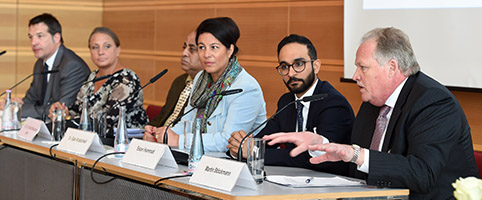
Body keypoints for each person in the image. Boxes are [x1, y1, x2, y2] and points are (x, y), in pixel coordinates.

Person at [264, 27, 479, 199]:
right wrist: (319, 145)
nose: (355, 75)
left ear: (392, 68)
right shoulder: (371, 103)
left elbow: (422, 174)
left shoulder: (433, 102)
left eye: (362, 67)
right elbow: (357, 165)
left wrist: (355, 154)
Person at [226, 34, 354, 176]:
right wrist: (239, 146)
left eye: (298, 64)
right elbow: (265, 140)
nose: (291, 73)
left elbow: (314, 158)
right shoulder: (287, 101)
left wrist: (253, 152)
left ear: (316, 66)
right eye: (284, 66)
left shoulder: (334, 104)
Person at [143, 17, 267, 152]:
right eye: (202, 47)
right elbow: (186, 123)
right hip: (200, 158)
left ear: (230, 50)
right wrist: (161, 135)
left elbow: (228, 141)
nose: (206, 54)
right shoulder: (200, 79)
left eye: (214, 47)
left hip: (234, 166)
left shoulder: (246, 87)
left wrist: (179, 140)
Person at [49, 27, 148, 139]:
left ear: (118, 50)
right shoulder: (92, 77)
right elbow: (76, 110)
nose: (100, 52)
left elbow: (105, 120)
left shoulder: (127, 79)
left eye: (107, 46)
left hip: (122, 144)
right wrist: (62, 113)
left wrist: (70, 120)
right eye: (95, 47)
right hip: (91, 140)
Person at [17, 13, 90, 119]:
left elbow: (58, 110)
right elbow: (30, 100)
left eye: (40, 36)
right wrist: (15, 106)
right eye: (31, 37)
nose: (33, 42)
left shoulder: (72, 66)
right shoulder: (40, 63)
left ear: (56, 38)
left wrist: (19, 110)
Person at [145, 31, 203, 134]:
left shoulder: (209, 88)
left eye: (192, 49)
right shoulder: (179, 81)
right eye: (184, 47)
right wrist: (150, 129)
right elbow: (163, 116)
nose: (184, 53)